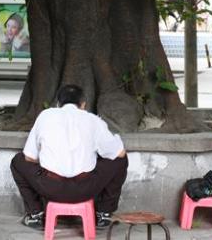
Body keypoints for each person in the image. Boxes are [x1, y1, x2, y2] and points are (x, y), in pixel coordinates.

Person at [10, 84, 128, 231]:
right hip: (85, 188)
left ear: (58, 104)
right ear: (83, 104)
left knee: (17, 162)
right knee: (120, 161)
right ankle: (104, 213)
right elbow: (119, 153)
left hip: (51, 187)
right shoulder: (93, 120)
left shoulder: (46, 116)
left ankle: (36, 214)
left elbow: (29, 158)